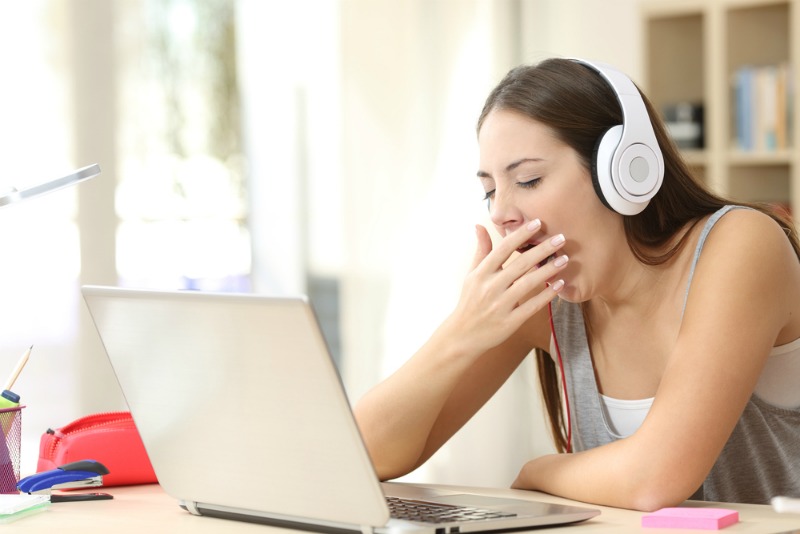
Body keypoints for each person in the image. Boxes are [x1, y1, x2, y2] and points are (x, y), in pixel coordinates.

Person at [353, 57, 800, 512]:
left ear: (624, 171)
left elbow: (655, 480)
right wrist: (462, 331)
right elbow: (359, 458)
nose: (500, 212)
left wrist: (538, 472)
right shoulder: (544, 297)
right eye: (490, 190)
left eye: (528, 179)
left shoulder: (741, 244)